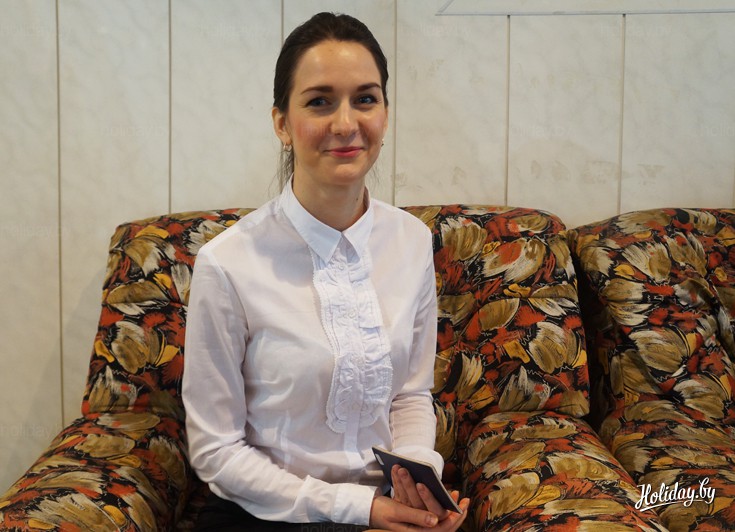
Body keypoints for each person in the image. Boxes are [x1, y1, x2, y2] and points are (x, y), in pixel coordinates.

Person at [182, 12, 470, 532]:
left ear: (385, 114)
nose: (345, 124)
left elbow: (410, 396)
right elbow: (216, 450)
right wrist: (357, 508)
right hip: (266, 516)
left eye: (365, 99)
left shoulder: (410, 241)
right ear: (281, 123)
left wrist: (418, 489)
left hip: (385, 511)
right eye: (319, 101)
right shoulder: (228, 263)